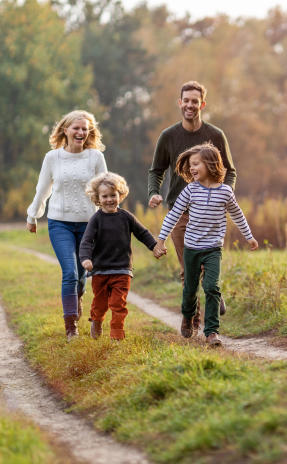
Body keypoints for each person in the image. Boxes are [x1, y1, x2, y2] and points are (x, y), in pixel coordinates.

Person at [148, 80, 237, 333]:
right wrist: (154, 192)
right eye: (185, 100)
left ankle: (212, 292)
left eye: (194, 101)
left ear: (202, 104)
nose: (190, 105)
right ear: (180, 103)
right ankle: (191, 320)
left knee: (206, 262)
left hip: (210, 212)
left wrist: (225, 194)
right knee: (188, 269)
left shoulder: (216, 135)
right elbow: (156, 170)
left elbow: (230, 171)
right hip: (179, 211)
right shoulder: (168, 136)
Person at [154, 142, 258, 346]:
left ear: (210, 164)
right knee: (190, 290)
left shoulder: (225, 192)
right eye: (190, 165)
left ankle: (212, 332)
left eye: (195, 164)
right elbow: (174, 215)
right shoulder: (190, 191)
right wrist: (160, 239)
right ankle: (188, 317)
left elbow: (237, 214)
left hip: (213, 249)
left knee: (212, 287)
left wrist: (249, 236)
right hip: (192, 248)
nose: (191, 168)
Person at [27, 110, 107, 341]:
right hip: (59, 223)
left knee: (82, 275)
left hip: (88, 225)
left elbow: (105, 188)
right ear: (65, 130)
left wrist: (110, 219)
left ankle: (78, 297)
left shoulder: (95, 158)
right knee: (70, 273)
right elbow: (43, 189)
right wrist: (33, 216)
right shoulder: (52, 158)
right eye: (76, 128)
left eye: (85, 129)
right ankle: (71, 326)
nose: (81, 132)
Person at [79, 172, 158, 341]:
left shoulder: (126, 217)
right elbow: (86, 241)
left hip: (122, 269)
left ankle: (116, 333)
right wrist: (86, 259)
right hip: (100, 270)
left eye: (113, 195)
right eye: (105, 196)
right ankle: (97, 320)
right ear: (97, 199)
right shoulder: (96, 219)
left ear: (120, 195)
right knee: (100, 304)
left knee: (118, 303)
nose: (109, 200)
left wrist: (154, 246)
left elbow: (142, 233)